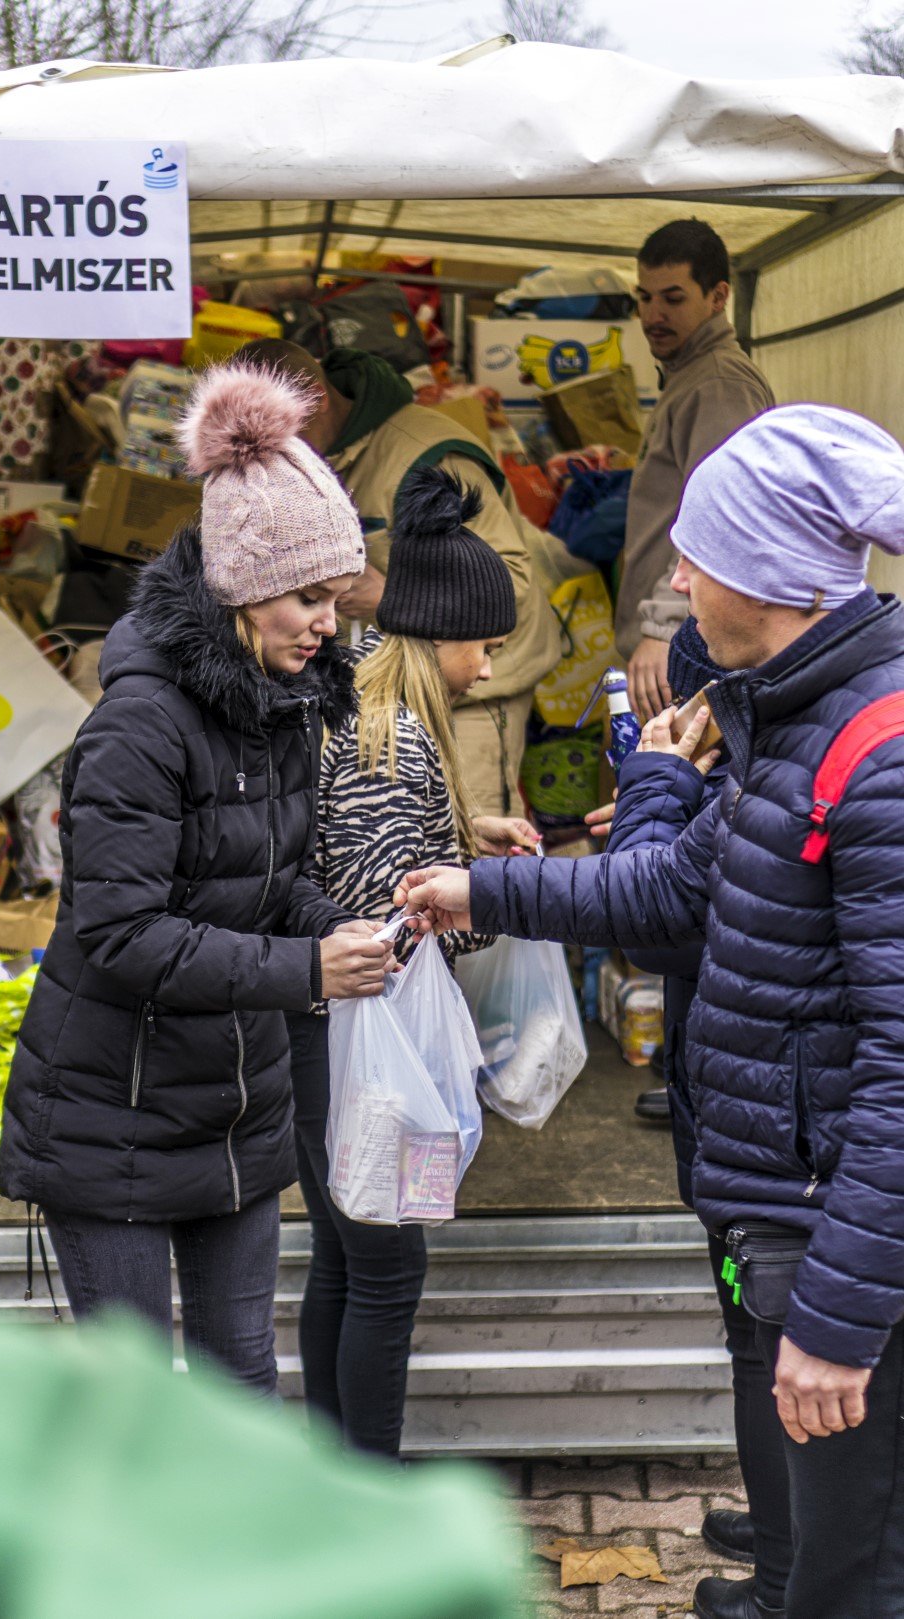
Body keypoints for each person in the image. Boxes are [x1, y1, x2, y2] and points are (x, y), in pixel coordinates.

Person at [396, 405, 904, 1619]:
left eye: (697, 553)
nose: (675, 576)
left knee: (857, 1577)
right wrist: (482, 884)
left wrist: (836, 1316)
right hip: (777, 1190)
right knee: (827, 1561)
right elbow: (675, 890)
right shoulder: (785, 714)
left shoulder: (872, 751)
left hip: (826, 1212)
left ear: (768, 576)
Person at [0, 363, 395, 1394]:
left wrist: (360, 923)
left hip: (232, 1109)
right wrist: (307, 966)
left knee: (242, 1384)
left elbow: (270, 883)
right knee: (137, 1412)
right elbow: (124, 934)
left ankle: (242, 1562)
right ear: (241, 587)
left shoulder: (286, 698)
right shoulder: (139, 725)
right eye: (308, 597)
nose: (327, 625)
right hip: (110, 1115)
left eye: (336, 601)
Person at [289, 465, 536, 1459]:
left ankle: (324, 1481)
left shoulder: (353, 701)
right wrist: (494, 899)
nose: (487, 666)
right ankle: (372, 1499)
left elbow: (366, 847)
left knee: (343, 1264)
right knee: (387, 1275)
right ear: (439, 636)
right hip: (362, 1046)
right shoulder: (397, 736)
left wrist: (462, 831)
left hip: (318, 1035)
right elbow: (401, 908)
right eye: (484, 644)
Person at [586, 617, 794, 1614]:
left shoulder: (753, 781)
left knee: (759, 1331)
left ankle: (787, 1569)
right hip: (739, 1096)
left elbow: (653, 918)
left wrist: (651, 803)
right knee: (752, 1323)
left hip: (752, 1115)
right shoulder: (764, 766)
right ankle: (787, 1520)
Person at [235, 337, 564, 818]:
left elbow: (509, 584)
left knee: (467, 845)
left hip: (473, 690)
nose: (275, 452)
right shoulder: (316, 453)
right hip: (390, 688)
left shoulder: (427, 456)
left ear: (315, 397)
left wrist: (384, 597)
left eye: (280, 433)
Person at [618, 218, 774, 721]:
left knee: (667, 796)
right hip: (678, 647)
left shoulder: (719, 384)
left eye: (673, 298)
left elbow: (724, 515)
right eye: (644, 297)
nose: (653, 314)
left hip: (685, 651)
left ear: (718, 296)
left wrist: (662, 626)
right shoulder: (691, 376)